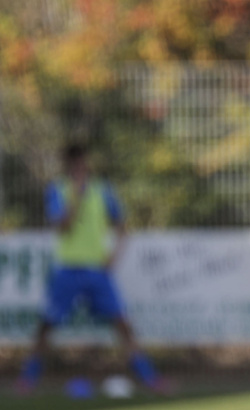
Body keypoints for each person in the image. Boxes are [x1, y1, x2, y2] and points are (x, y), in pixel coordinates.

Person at [16, 143, 164, 395]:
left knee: (123, 325)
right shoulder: (58, 190)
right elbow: (62, 227)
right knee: (46, 325)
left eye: (82, 163)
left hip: (97, 270)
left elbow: (121, 227)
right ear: (67, 165)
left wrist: (114, 256)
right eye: (74, 164)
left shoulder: (102, 191)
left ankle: (150, 378)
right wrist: (75, 199)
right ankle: (28, 379)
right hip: (67, 269)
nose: (79, 168)